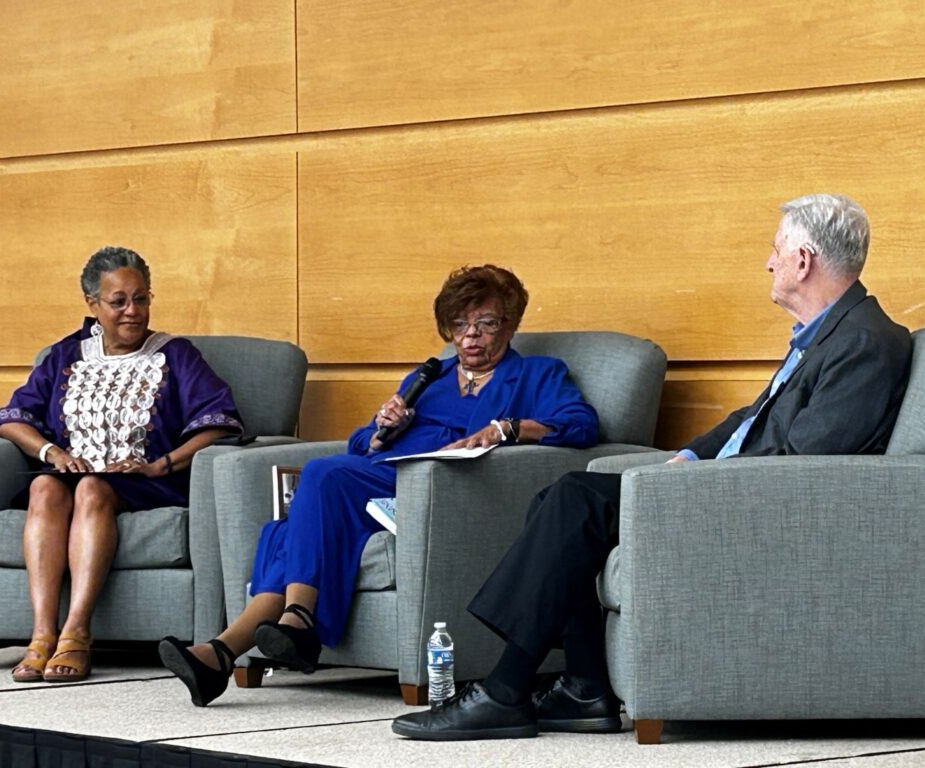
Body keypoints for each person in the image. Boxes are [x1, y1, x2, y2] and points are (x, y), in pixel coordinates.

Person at [392, 194, 913, 740]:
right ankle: (584, 690)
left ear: (803, 262)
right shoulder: (828, 334)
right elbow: (753, 417)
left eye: (776, 250)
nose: (769, 263)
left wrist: (698, 482)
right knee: (560, 496)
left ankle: (504, 690)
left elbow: (806, 465)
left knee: (574, 497)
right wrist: (686, 457)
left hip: (755, 507)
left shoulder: (865, 342)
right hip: (724, 488)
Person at [159, 264, 600, 707]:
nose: (471, 336)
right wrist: (381, 430)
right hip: (383, 475)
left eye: (486, 323)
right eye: (460, 324)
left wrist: (506, 428)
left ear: (511, 324)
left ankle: (277, 629)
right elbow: (360, 444)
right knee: (303, 510)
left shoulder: (538, 374)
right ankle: (223, 654)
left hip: (443, 489)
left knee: (316, 482)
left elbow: (580, 426)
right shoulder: (428, 378)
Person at [0, 246, 243, 684]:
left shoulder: (176, 355)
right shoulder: (66, 355)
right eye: (118, 301)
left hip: (142, 481)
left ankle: (77, 631)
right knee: (43, 488)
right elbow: (11, 419)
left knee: (92, 490)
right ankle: (41, 633)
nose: (133, 311)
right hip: (70, 474)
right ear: (93, 304)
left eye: (141, 298)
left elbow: (221, 425)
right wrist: (53, 454)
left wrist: (162, 464)